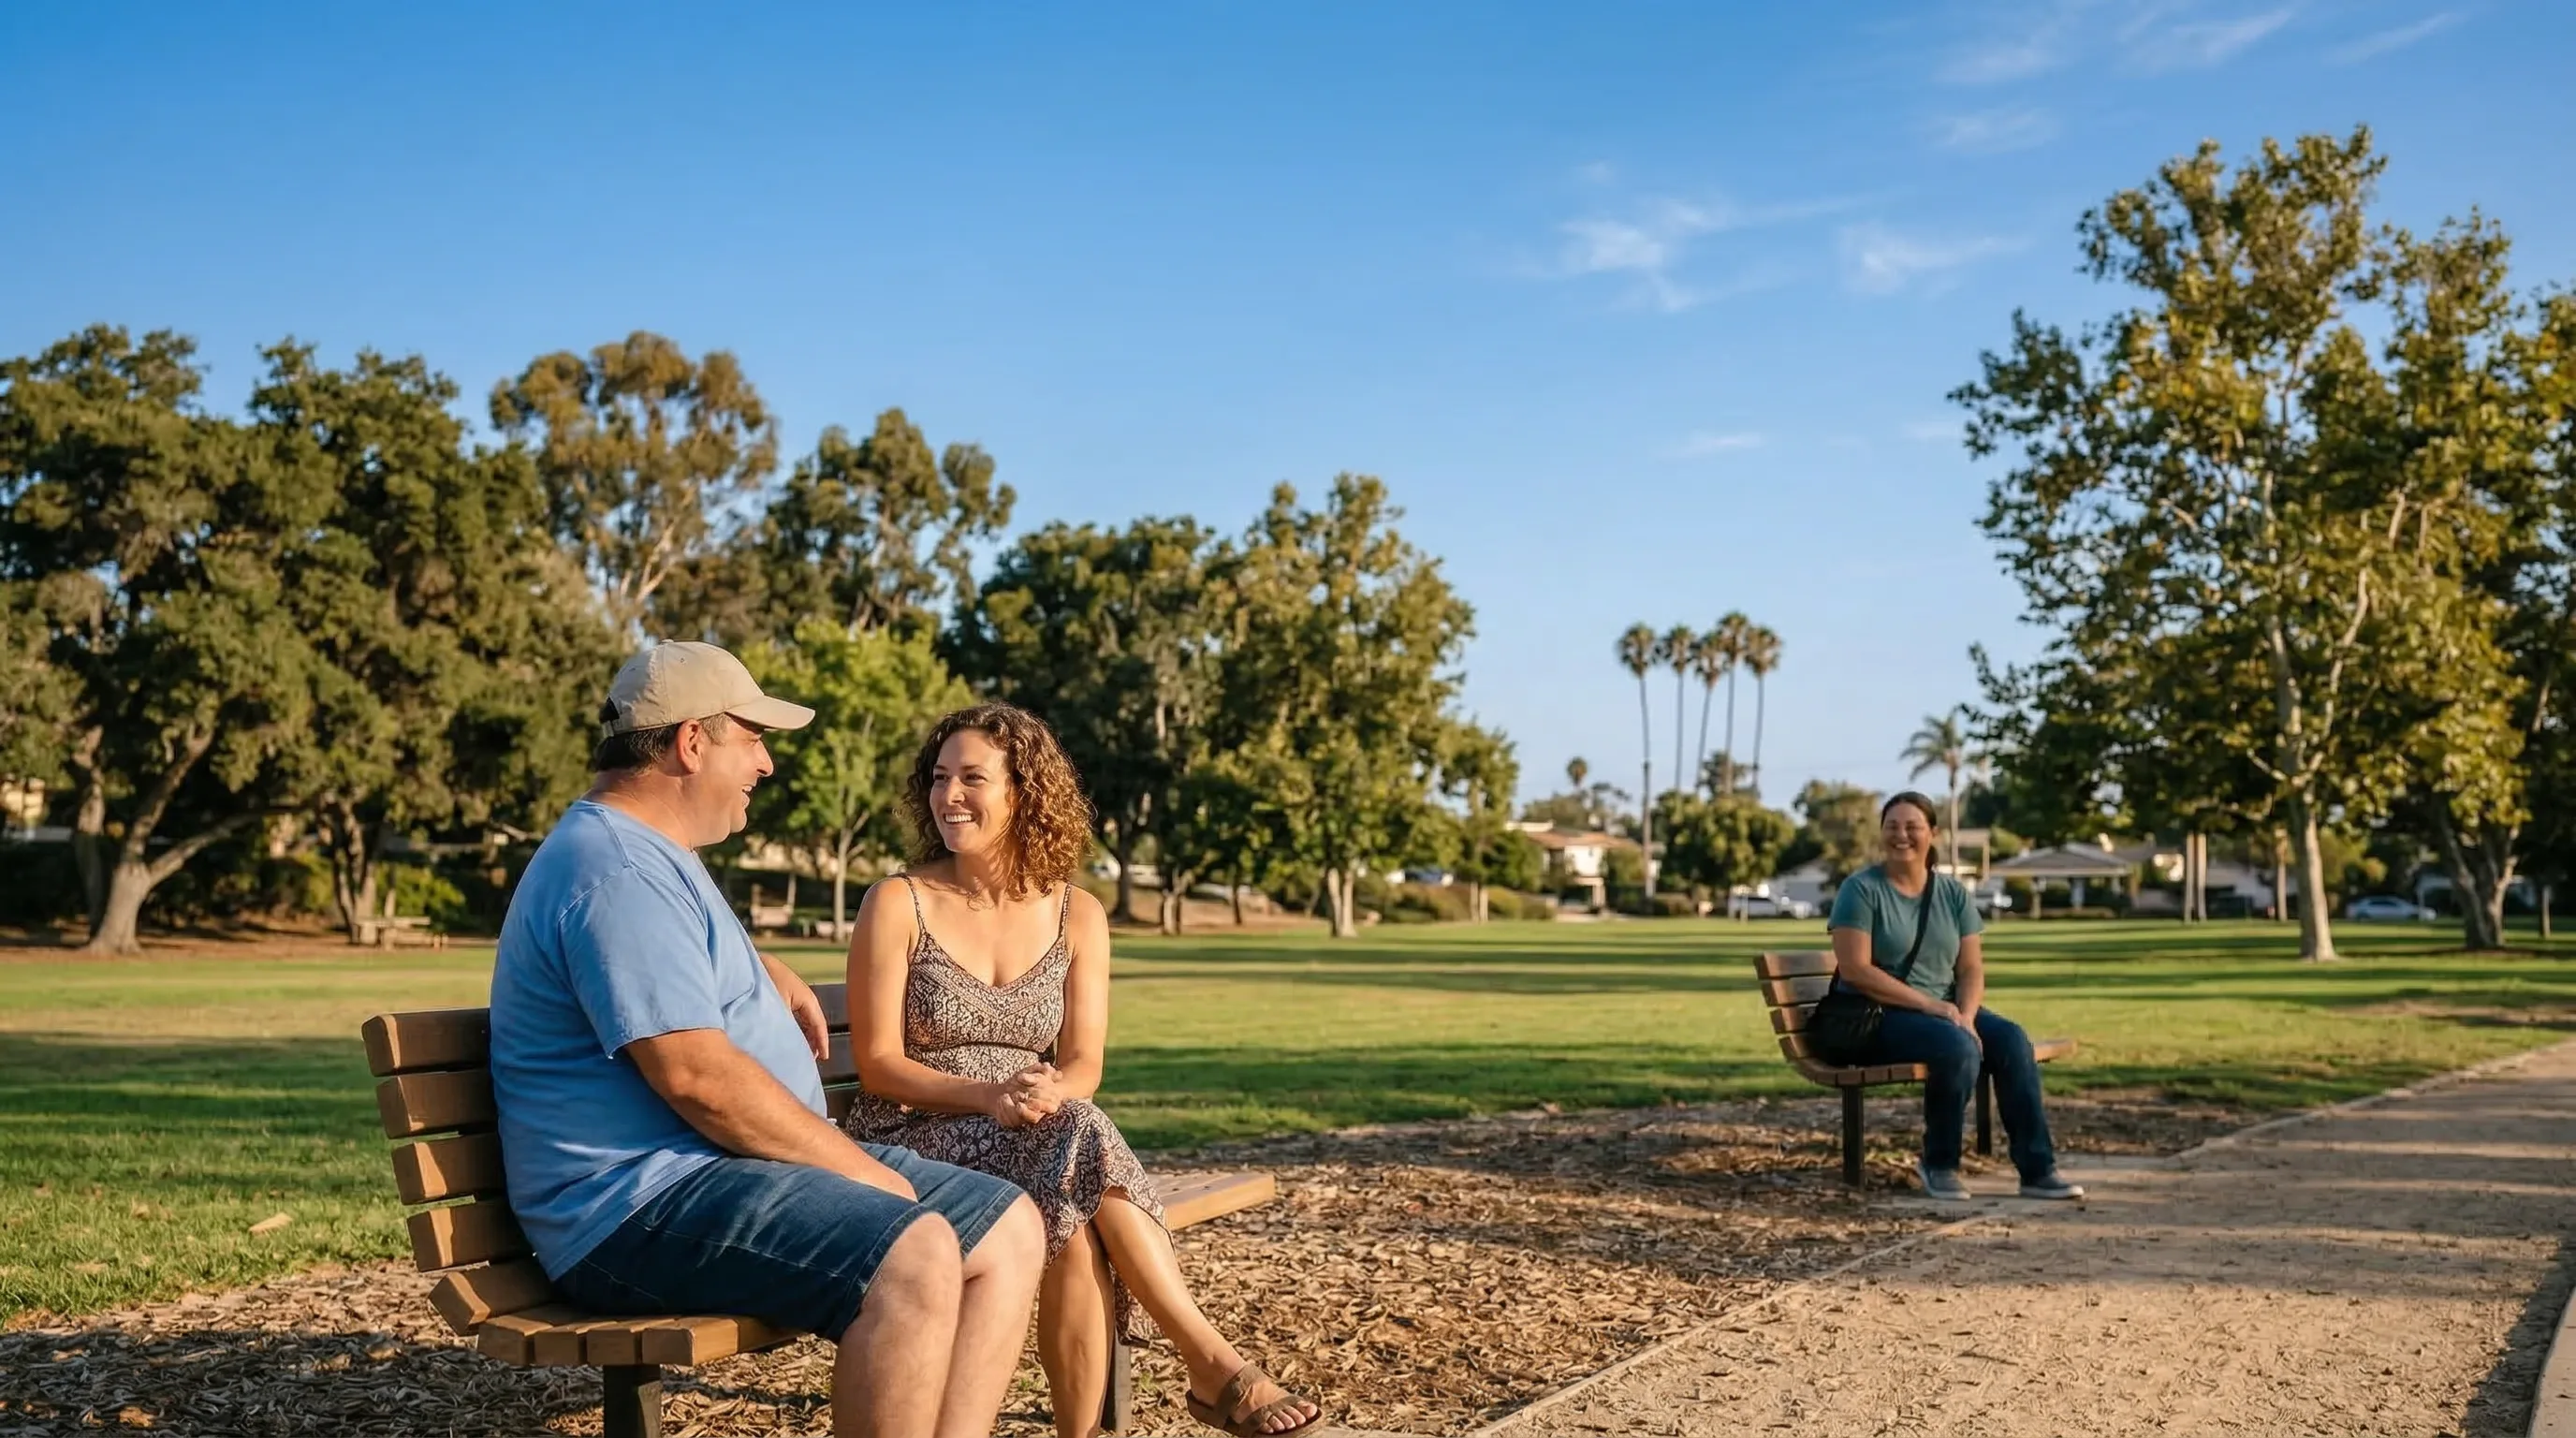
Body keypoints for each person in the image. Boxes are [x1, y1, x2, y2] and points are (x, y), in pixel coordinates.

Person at [489, 642, 1047, 1438]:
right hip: (633, 1205)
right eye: (752, 737)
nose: (767, 762)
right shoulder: (618, 872)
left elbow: (673, 966)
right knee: (916, 1251)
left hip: (712, 1173)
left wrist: (760, 965)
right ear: (691, 742)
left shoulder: (649, 854)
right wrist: (858, 1171)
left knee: (1008, 1228)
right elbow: (698, 1079)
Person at [845, 702, 1325, 1438]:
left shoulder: (1079, 915)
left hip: (1036, 1131)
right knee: (1075, 1144)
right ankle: (1213, 1365)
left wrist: (1043, 1092)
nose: (949, 796)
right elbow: (878, 1067)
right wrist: (988, 1096)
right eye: (940, 778)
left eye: (973, 778)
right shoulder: (898, 902)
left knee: (1070, 1213)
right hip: (913, 1133)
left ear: (1024, 792)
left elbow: (1082, 1064)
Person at [1826, 791, 2085, 1202]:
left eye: (1912, 826)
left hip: (1946, 1012)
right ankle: (1939, 1163)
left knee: (2012, 1040)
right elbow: (1856, 970)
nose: (1901, 835)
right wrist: (1935, 1008)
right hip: (1880, 1016)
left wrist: (1965, 1014)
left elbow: (1970, 969)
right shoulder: (1860, 890)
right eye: (1892, 826)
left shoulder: (1952, 894)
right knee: (1957, 1048)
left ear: (1933, 833)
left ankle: (2038, 1170)